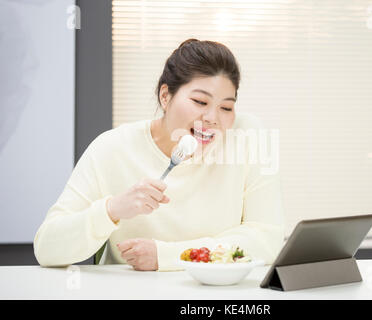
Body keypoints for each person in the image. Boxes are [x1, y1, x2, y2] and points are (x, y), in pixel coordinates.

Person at [34, 39, 285, 271]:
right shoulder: (112, 148)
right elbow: (47, 248)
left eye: (226, 107)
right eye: (200, 102)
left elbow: (266, 239)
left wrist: (168, 255)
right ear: (165, 96)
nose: (213, 119)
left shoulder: (248, 136)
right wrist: (111, 210)